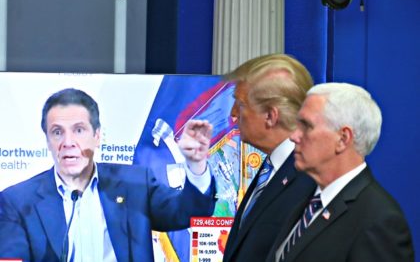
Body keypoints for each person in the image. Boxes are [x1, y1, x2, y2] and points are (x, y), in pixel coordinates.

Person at [0, 88, 216, 262]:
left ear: (97, 136)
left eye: (79, 130)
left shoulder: (136, 184)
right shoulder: (18, 201)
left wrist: (196, 164)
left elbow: (187, 213)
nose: (68, 143)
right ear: (47, 140)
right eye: (57, 132)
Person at [266, 82, 414, 262]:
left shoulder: (379, 219)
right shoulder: (307, 202)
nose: (294, 136)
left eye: (306, 126)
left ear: (343, 139)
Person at [222, 54, 317, 262]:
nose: (233, 113)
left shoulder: (310, 182)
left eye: (240, 103)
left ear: (270, 116)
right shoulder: (272, 169)